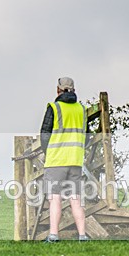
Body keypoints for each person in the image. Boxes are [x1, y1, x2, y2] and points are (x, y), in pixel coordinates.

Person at [40, 76, 89, 242]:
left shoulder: (54, 108)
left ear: (58, 90)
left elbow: (45, 134)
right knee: (76, 199)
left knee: (55, 198)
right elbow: (87, 136)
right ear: (74, 90)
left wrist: (48, 152)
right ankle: (83, 236)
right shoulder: (81, 109)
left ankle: (54, 235)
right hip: (75, 160)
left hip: (56, 161)